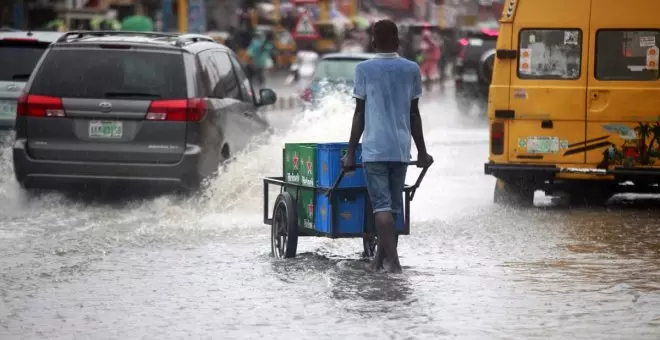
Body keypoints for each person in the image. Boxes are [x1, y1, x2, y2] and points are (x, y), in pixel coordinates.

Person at [343, 19, 434, 273]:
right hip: (400, 150)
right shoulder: (412, 69)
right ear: (397, 40)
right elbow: (414, 115)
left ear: (373, 42)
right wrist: (423, 152)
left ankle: (393, 263)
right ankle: (378, 262)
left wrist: (350, 152)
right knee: (392, 208)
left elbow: (359, 114)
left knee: (381, 208)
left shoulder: (363, 69)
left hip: (374, 150)